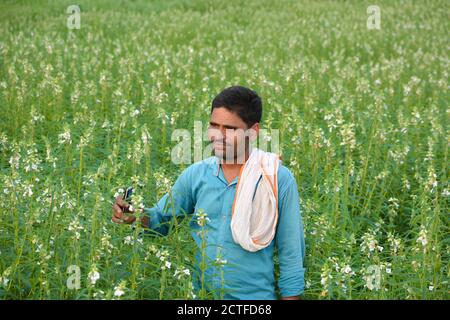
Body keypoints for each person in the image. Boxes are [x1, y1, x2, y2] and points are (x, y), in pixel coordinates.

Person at [112, 86, 306, 300]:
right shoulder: (196, 175)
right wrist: (135, 215)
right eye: (214, 125)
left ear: (253, 131)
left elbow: (291, 253)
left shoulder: (276, 178)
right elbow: (161, 220)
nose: (218, 136)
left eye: (230, 129)